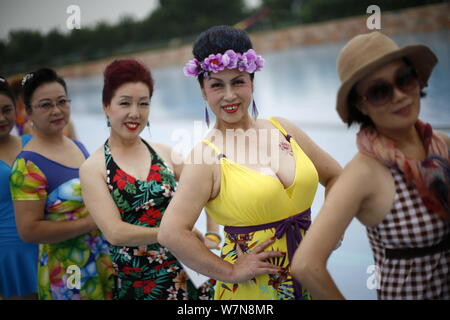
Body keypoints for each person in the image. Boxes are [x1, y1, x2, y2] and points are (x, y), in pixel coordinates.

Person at [158, 25, 342, 300]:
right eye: (217, 85)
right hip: (252, 292)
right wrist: (229, 271)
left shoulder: (284, 129)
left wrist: (330, 230)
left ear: (252, 81)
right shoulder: (205, 157)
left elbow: (337, 177)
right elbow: (171, 233)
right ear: (203, 91)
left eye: (238, 82)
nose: (230, 95)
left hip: (311, 278)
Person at [291, 31, 450, 300]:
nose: (399, 95)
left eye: (404, 79)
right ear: (360, 105)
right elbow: (306, 264)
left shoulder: (441, 146)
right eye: (379, 91)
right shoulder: (364, 173)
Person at [79, 58, 215, 300]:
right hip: (142, 285)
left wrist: (213, 235)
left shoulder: (164, 153)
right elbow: (115, 232)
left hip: (193, 273)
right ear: (106, 106)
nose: (135, 113)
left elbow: (209, 189)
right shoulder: (93, 168)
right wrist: (174, 232)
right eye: (124, 103)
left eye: (143, 103)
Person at [10, 68, 114, 300]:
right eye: (45, 105)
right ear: (28, 112)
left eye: (62, 102)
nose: (56, 110)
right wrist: (90, 223)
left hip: (101, 255)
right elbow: (29, 230)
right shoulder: (27, 164)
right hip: (69, 269)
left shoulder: (76, 146)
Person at [0, 76, 38, 300]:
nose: (1, 118)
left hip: (46, 244)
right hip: (6, 253)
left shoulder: (33, 143)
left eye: (6, 109)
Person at [8, 75, 78, 139]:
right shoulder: (26, 125)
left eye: (61, 101)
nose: (56, 111)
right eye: (45, 105)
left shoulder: (67, 123)